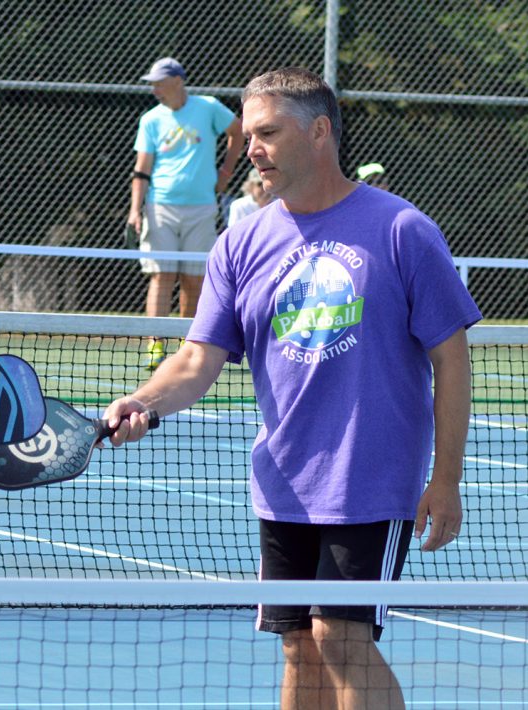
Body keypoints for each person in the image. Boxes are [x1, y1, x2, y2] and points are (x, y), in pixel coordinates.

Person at [105, 67, 480, 709]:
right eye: (249, 134)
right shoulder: (240, 242)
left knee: (341, 638)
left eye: (268, 133)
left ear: (319, 133)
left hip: (370, 482)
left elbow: (452, 360)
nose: (252, 148)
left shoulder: (402, 230)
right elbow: (197, 360)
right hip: (282, 485)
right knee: (299, 644)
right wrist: (142, 401)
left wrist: (444, 480)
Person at [127, 57, 244, 370]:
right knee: (162, 276)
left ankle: (186, 343)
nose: (154, 89)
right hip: (159, 207)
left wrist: (227, 172)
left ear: (177, 80)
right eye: (151, 83)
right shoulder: (151, 119)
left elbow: (239, 132)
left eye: (158, 82)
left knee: (194, 279)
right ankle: (155, 345)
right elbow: (142, 169)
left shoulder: (208, 107)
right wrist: (135, 210)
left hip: (202, 207)